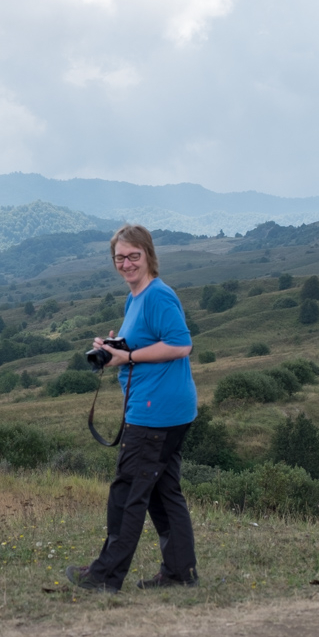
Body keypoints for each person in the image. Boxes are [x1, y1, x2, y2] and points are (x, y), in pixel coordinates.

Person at [66, 224, 199, 592]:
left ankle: (103, 576)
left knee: (127, 493)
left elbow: (180, 344)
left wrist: (129, 356)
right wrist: (115, 349)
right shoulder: (135, 297)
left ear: (148, 255)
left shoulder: (158, 296)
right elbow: (144, 343)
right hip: (168, 409)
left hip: (155, 412)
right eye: (119, 258)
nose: (126, 264)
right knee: (163, 492)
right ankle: (179, 572)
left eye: (133, 256)